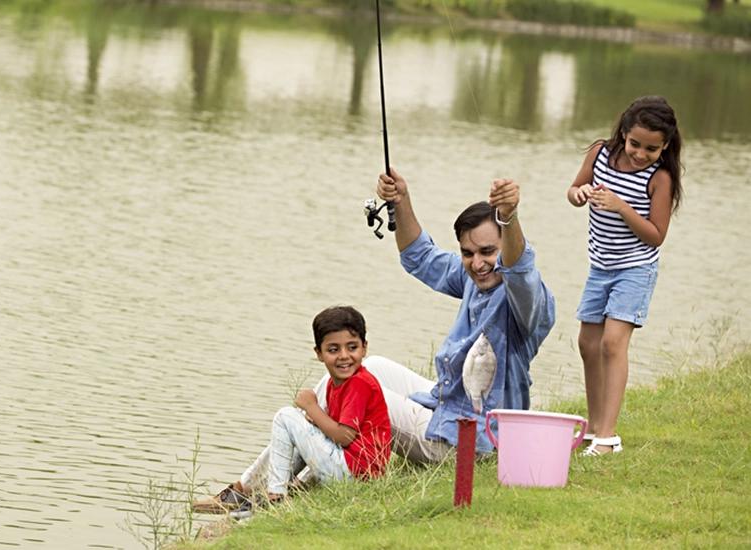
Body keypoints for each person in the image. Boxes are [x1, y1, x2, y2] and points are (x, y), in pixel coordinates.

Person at [369, 170, 556, 464]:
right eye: (468, 253)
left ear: (504, 246)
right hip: (447, 409)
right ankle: (298, 477)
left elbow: (520, 269)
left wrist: (509, 217)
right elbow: (420, 257)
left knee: (346, 388)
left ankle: (278, 486)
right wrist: (401, 200)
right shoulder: (472, 278)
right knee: (370, 368)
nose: (478, 263)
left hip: (472, 441)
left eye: (488, 251)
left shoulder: (525, 298)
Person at [566, 96, 683, 456]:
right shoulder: (600, 153)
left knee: (612, 343)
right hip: (600, 266)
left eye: (651, 148)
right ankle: (595, 426)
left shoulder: (659, 177)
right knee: (588, 344)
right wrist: (580, 193)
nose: (640, 154)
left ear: (664, 146)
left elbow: (655, 234)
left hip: (635, 268)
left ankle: (608, 438)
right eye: (635, 144)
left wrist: (621, 206)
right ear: (623, 133)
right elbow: (572, 192)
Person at [192, 306, 391, 518]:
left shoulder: (359, 383)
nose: (344, 356)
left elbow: (344, 436)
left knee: (285, 416)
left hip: (356, 474)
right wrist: (312, 421)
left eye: (352, 347)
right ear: (319, 353)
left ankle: (274, 496)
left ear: (365, 348)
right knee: (290, 428)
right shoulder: (340, 383)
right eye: (333, 349)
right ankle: (247, 493)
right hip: (350, 470)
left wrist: (312, 408)